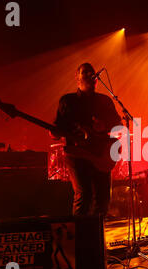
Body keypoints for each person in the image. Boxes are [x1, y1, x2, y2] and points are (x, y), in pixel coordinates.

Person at [50, 63, 122, 216]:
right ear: (77, 78)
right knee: (84, 196)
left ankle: (97, 235)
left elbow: (118, 124)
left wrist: (104, 126)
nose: (90, 75)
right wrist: (54, 132)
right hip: (77, 154)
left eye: (92, 73)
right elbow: (57, 129)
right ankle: (79, 235)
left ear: (96, 79)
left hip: (100, 152)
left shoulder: (104, 100)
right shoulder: (68, 101)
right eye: (85, 72)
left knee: (103, 199)